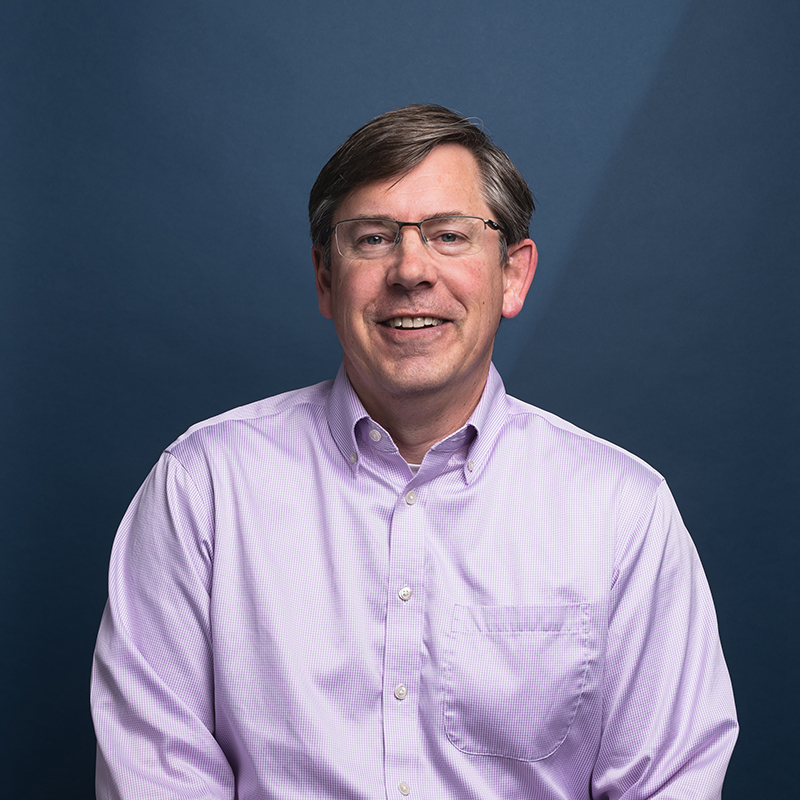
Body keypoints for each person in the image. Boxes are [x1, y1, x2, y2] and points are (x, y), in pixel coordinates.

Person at [91, 104, 737, 799]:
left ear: (512, 275)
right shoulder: (204, 489)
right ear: (324, 278)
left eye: (449, 236)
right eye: (372, 239)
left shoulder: (621, 512)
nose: (410, 271)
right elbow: (157, 777)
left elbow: (668, 783)